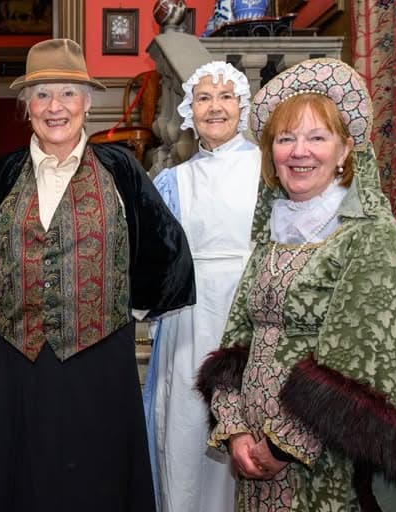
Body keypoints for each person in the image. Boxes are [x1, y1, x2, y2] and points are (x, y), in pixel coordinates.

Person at [0, 38, 195, 512]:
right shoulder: (4, 174)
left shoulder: (121, 168)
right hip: (18, 360)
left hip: (99, 360)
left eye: (66, 93)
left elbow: (166, 248)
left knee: (97, 483)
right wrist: (3, 303)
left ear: (86, 102)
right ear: (26, 108)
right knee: (20, 480)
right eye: (41, 95)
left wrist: (122, 306)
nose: (54, 107)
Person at [196, 58, 396, 511]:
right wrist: (235, 428)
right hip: (255, 460)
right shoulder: (273, 232)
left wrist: (279, 447)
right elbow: (237, 338)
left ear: (345, 149)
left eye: (318, 137)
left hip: (325, 468)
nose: (299, 151)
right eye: (285, 138)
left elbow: (359, 368)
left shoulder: (371, 236)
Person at [141, 61, 258, 512]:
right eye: (204, 98)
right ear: (190, 110)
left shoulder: (269, 171)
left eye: (225, 96)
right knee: (188, 426)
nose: (215, 107)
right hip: (188, 316)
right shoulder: (173, 181)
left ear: (241, 106)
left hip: (250, 310)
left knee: (251, 427)